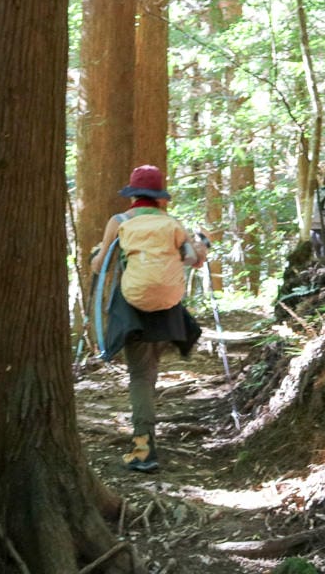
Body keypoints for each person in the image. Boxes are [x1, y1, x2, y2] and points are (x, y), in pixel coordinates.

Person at [90, 165, 205, 473]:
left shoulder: (120, 221)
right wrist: (202, 246)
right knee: (148, 374)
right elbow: (194, 260)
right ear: (159, 199)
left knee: (140, 378)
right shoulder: (171, 223)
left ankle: (144, 449)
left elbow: (100, 266)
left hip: (134, 309)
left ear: (132, 195)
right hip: (168, 311)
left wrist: (94, 255)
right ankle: (147, 433)